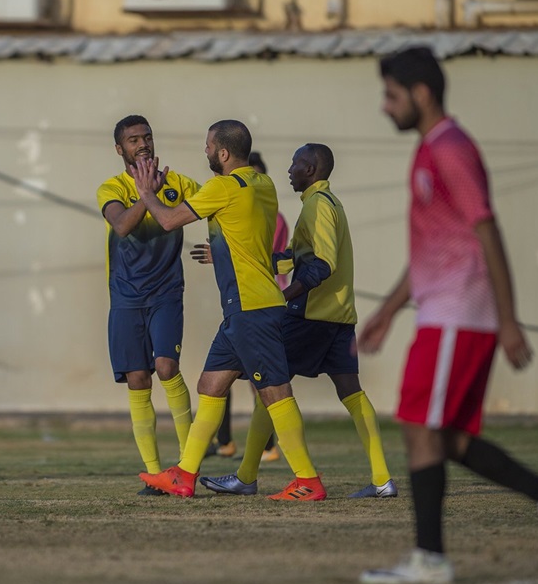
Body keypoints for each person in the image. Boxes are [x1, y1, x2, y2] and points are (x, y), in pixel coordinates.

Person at [355, 47, 538, 584]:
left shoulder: (451, 150)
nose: (385, 107)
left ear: (421, 94)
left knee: (420, 428)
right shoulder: (430, 149)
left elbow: (487, 229)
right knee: (445, 437)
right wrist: (389, 312)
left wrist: (508, 319)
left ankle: (430, 558)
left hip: (460, 313)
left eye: (391, 95)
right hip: (443, 312)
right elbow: (432, 248)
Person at [131, 119, 326, 500]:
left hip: (251, 307)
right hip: (248, 305)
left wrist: (146, 192)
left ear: (222, 153)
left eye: (207, 146)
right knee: (211, 385)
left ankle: (308, 480)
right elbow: (245, 234)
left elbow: (169, 219)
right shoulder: (263, 183)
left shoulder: (222, 186)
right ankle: (184, 475)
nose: (204, 152)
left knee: (275, 392)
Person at [199, 143, 397, 499]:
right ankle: (383, 479)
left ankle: (254, 476)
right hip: (340, 315)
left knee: (270, 387)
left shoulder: (318, 206)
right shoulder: (328, 203)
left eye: (295, 163)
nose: (289, 169)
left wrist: (283, 297)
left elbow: (321, 264)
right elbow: (297, 257)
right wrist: (247, 261)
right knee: (351, 393)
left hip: (311, 315)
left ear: (311, 168)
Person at [96, 115, 199, 496]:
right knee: (138, 380)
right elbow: (121, 225)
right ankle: (156, 475)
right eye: (133, 139)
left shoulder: (180, 184)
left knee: (166, 367)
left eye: (146, 137)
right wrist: (146, 194)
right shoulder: (111, 187)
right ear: (120, 149)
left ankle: (187, 466)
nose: (142, 144)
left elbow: (219, 206)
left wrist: (224, 252)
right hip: (125, 297)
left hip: (166, 293)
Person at [205, 151, 287, 461]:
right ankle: (216, 448)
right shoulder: (244, 202)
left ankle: (274, 450)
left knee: (266, 385)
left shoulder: (269, 214)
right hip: (241, 302)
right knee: (215, 380)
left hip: (259, 302)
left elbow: (260, 253)